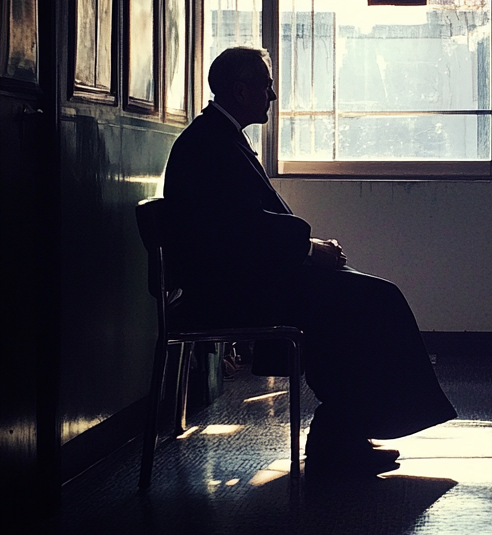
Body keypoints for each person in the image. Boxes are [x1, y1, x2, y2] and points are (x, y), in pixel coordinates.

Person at [161, 46, 457, 476]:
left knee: (362, 294)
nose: (274, 95)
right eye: (267, 85)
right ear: (241, 90)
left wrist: (308, 247)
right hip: (228, 291)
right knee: (370, 300)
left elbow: (242, 224)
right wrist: (307, 248)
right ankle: (338, 435)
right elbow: (236, 228)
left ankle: (341, 432)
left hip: (233, 280)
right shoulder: (210, 144)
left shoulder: (214, 138)